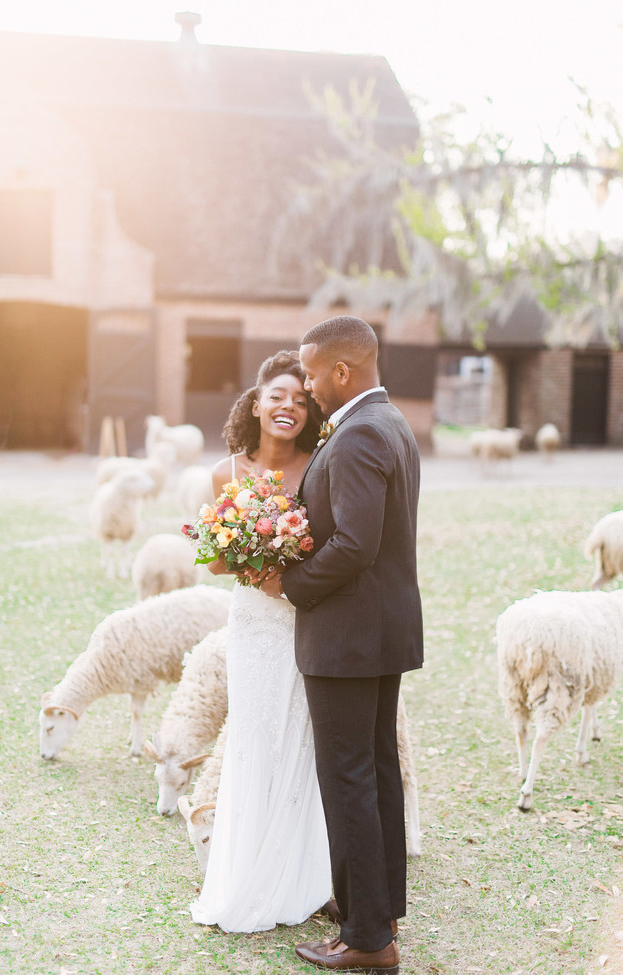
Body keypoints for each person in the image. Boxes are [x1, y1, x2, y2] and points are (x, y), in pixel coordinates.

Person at [260, 317, 423, 974]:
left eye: (310, 372)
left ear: (342, 372)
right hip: (381, 630)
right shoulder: (392, 423)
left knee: (349, 776)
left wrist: (293, 582)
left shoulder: (357, 435)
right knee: (375, 770)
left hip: (348, 635)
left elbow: (355, 542)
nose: (305, 384)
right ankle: (372, 908)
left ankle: (367, 940)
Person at [189, 350, 332, 932]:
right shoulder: (225, 471)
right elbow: (212, 559)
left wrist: (290, 563)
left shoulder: (318, 465)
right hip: (251, 624)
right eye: (278, 396)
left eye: (301, 400)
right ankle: (248, 873)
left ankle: (304, 875)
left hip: (304, 620)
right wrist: (249, 556)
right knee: (253, 739)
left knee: (299, 740)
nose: (288, 407)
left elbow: (327, 548)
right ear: (255, 403)